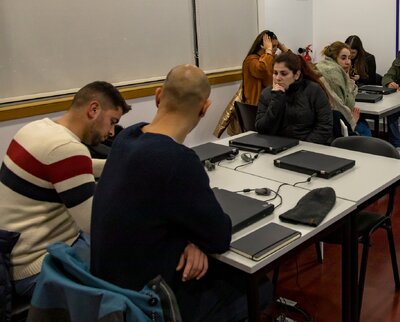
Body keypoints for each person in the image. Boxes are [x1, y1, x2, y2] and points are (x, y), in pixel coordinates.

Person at [91, 65, 261, 321]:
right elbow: (219, 237)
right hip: (147, 303)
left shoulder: (126, 138)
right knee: (257, 288)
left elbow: (150, 211)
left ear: (158, 96)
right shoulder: (178, 160)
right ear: (204, 108)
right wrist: (197, 239)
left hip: (110, 294)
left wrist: (191, 241)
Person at [0, 81, 130, 297]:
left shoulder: (37, 128)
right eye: (112, 122)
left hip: (13, 256)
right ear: (94, 109)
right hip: (37, 266)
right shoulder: (67, 149)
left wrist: (120, 165)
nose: (111, 132)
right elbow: (97, 226)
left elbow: (72, 167)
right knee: (133, 255)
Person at [256, 51, 333, 145]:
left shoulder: (313, 90)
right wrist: (276, 100)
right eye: (275, 73)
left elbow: (324, 126)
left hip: (308, 146)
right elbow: (262, 130)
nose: (278, 78)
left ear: (296, 75)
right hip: (276, 146)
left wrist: (305, 146)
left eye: (283, 73)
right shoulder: (267, 94)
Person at [316, 41, 371, 136]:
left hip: (327, 120)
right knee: (364, 130)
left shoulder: (323, 66)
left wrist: (347, 76)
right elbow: (344, 105)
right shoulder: (334, 74)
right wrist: (353, 120)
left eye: (349, 58)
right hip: (335, 124)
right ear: (334, 58)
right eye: (343, 58)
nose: (348, 62)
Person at [242, 30, 290, 105]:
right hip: (256, 106)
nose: (275, 49)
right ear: (262, 46)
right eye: (273, 46)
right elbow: (262, 69)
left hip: (271, 103)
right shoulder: (251, 60)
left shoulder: (271, 58)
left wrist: (283, 48)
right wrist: (268, 50)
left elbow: (293, 64)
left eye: (276, 46)